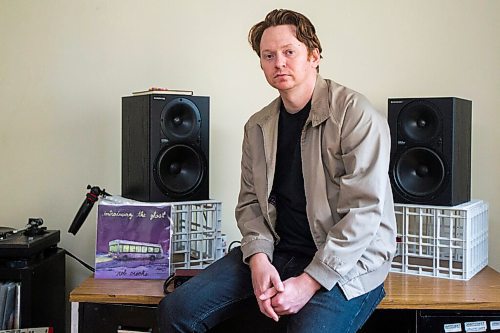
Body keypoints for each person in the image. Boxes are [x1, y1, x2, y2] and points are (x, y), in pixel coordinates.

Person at [158, 8, 396, 333]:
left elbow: (364, 213)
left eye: (289, 52)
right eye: (268, 55)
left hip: (348, 262)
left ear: (314, 55)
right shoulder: (257, 126)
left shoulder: (356, 116)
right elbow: (250, 205)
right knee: (176, 310)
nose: (279, 63)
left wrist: (310, 281)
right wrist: (258, 259)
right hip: (279, 252)